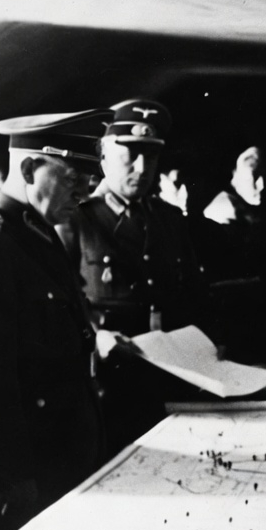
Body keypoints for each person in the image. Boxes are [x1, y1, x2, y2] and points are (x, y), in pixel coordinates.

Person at [0, 109, 110, 530]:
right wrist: (7, 478)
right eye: (74, 176)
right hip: (19, 471)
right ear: (31, 168)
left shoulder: (36, 231)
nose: (86, 189)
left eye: (91, 178)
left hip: (51, 457)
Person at [62, 99, 214, 450]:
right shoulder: (77, 219)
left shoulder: (169, 219)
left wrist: (212, 346)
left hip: (171, 382)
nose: (143, 167)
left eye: (152, 156)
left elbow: (195, 294)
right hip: (108, 385)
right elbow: (64, 305)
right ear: (103, 156)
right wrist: (98, 337)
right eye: (130, 154)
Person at [199, 145, 266, 363]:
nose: (261, 185)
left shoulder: (259, 209)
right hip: (234, 319)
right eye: (253, 177)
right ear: (235, 178)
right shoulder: (223, 211)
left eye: (264, 176)